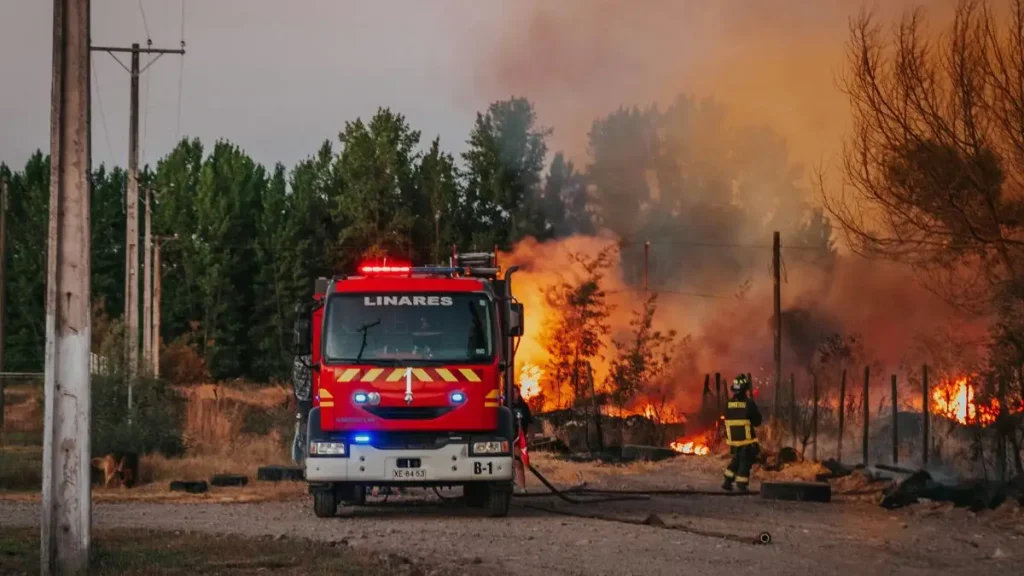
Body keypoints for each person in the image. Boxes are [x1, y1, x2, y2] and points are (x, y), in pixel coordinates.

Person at [721, 374, 762, 493]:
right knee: (746, 460)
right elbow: (757, 422)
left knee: (737, 459)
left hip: (733, 440)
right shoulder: (749, 403)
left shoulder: (728, 403)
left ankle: (727, 481)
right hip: (747, 440)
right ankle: (741, 484)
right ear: (745, 389)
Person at [511, 386, 533, 493]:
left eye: (516, 391)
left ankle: (522, 487)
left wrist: (528, 436)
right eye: (512, 392)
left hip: (520, 437)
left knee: (518, 462)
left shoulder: (523, 406)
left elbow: (528, 422)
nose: (514, 393)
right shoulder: (506, 406)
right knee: (509, 463)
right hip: (508, 437)